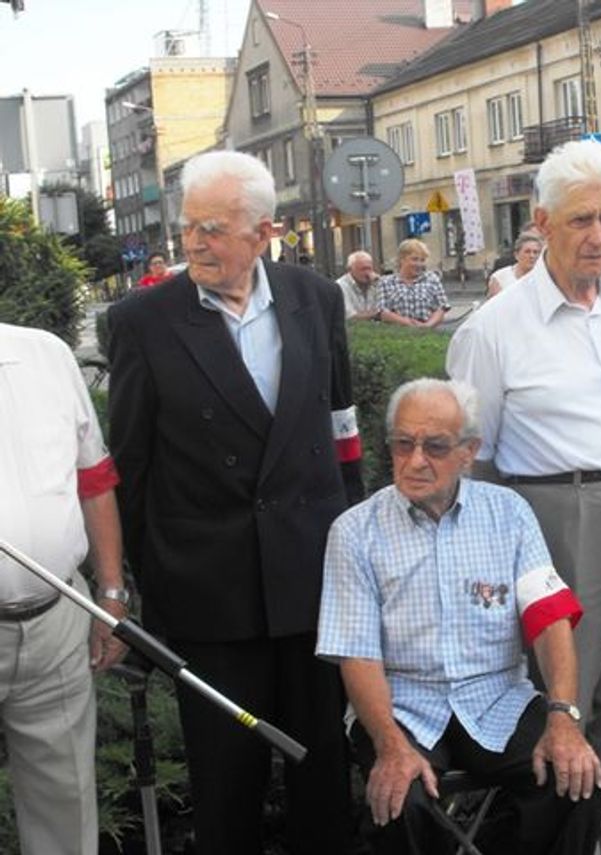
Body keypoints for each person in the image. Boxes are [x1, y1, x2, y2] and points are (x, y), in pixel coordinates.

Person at [107, 150, 363, 855]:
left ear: (264, 231)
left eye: (214, 229)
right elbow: (128, 462)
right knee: (226, 784)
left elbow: (342, 426)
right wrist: (141, 576)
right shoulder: (142, 322)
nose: (194, 243)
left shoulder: (315, 297)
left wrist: (358, 536)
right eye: (189, 227)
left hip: (313, 578)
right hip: (210, 593)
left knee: (322, 772)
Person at [447, 139, 601, 855]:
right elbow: (469, 466)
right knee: (565, 697)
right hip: (558, 513)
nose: (600, 236)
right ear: (542, 222)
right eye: (581, 220)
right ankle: (571, 841)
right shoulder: (493, 328)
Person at [317, 378, 601, 854]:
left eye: (434, 446)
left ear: (469, 451)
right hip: (402, 705)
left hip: (497, 698)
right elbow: (357, 654)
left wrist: (563, 718)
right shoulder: (354, 532)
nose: (414, 461)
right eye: (403, 444)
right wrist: (389, 745)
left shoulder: (509, 513)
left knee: (576, 781)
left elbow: (550, 618)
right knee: (400, 802)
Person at [0, 322, 129, 855]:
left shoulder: (46, 353)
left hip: (57, 618)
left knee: (66, 809)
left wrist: (113, 595)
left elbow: (94, 480)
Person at [377, 239, 450, 328]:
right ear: (402, 259)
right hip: (397, 334)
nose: (419, 264)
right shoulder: (386, 282)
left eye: (422, 260)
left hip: (427, 333)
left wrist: (426, 326)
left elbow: (441, 308)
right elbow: (383, 312)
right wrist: (408, 324)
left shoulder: (432, 279)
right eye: (414, 259)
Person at [486, 232, 543, 298]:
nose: (532, 256)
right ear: (516, 255)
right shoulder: (500, 278)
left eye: (535, 252)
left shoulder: (545, 277)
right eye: (527, 252)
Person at [337, 250, 383, 320]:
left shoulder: (376, 283)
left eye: (369, 269)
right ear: (350, 270)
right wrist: (378, 314)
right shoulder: (341, 286)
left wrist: (381, 284)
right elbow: (349, 317)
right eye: (363, 269)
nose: (367, 273)